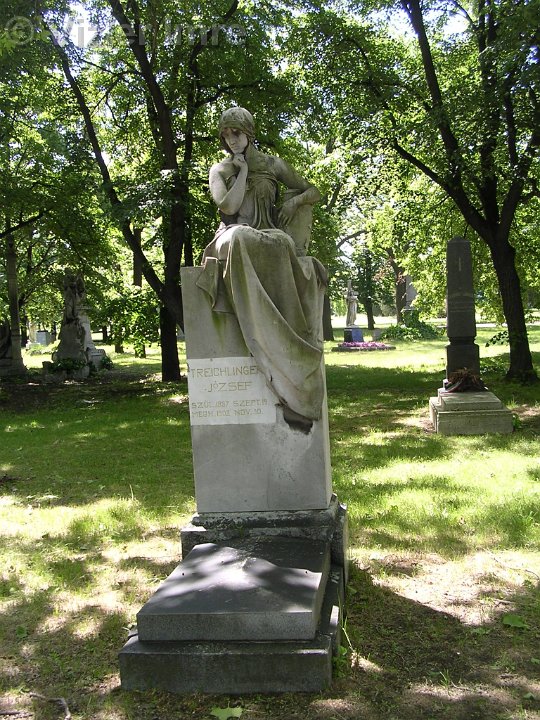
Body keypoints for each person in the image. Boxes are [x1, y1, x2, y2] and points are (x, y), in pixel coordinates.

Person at [197, 107, 327, 424]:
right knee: (240, 237)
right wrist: (241, 173)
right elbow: (228, 206)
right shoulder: (220, 170)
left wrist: (293, 201)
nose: (231, 140)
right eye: (226, 134)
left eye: (236, 133)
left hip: (269, 236)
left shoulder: (272, 165)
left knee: (282, 242)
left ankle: (289, 343)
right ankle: (259, 330)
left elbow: (314, 191)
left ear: (249, 133)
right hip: (231, 236)